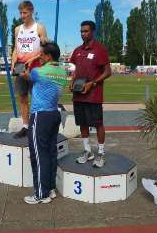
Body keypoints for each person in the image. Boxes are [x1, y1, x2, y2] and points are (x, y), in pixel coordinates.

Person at [21, 42, 67, 204]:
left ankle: (41, 194)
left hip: (40, 116)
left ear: (48, 56)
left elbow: (26, 75)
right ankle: (50, 188)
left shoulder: (38, 72)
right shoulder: (62, 72)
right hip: (55, 114)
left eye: (41, 54)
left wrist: (26, 67)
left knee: (39, 155)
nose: (39, 57)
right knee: (50, 153)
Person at [69, 21, 111, 168]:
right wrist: (72, 80)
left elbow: (108, 72)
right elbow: (76, 69)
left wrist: (92, 83)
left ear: (93, 32)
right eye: (81, 31)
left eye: (86, 31)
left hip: (94, 95)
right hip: (78, 94)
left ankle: (101, 153)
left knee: (98, 123)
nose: (83, 34)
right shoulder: (77, 50)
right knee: (83, 123)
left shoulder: (100, 49)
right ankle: (88, 151)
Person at [11, 0, 48, 139]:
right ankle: (25, 126)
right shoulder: (17, 29)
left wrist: (34, 57)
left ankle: (36, 126)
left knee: (37, 99)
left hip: (35, 69)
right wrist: (13, 61)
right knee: (22, 98)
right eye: (21, 13)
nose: (22, 15)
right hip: (20, 68)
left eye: (25, 12)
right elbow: (16, 48)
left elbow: (44, 48)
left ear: (31, 11)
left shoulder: (39, 27)